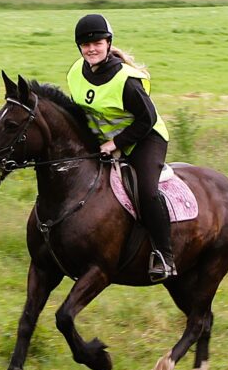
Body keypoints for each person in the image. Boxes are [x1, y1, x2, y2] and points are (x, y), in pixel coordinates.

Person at [68, 14, 176, 282]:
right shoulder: (75, 73)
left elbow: (147, 119)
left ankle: (165, 255)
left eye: (97, 42)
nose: (91, 48)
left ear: (108, 43)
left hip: (145, 138)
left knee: (146, 190)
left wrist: (115, 144)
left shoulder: (126, 80)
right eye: (85, 44)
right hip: (104, 142)